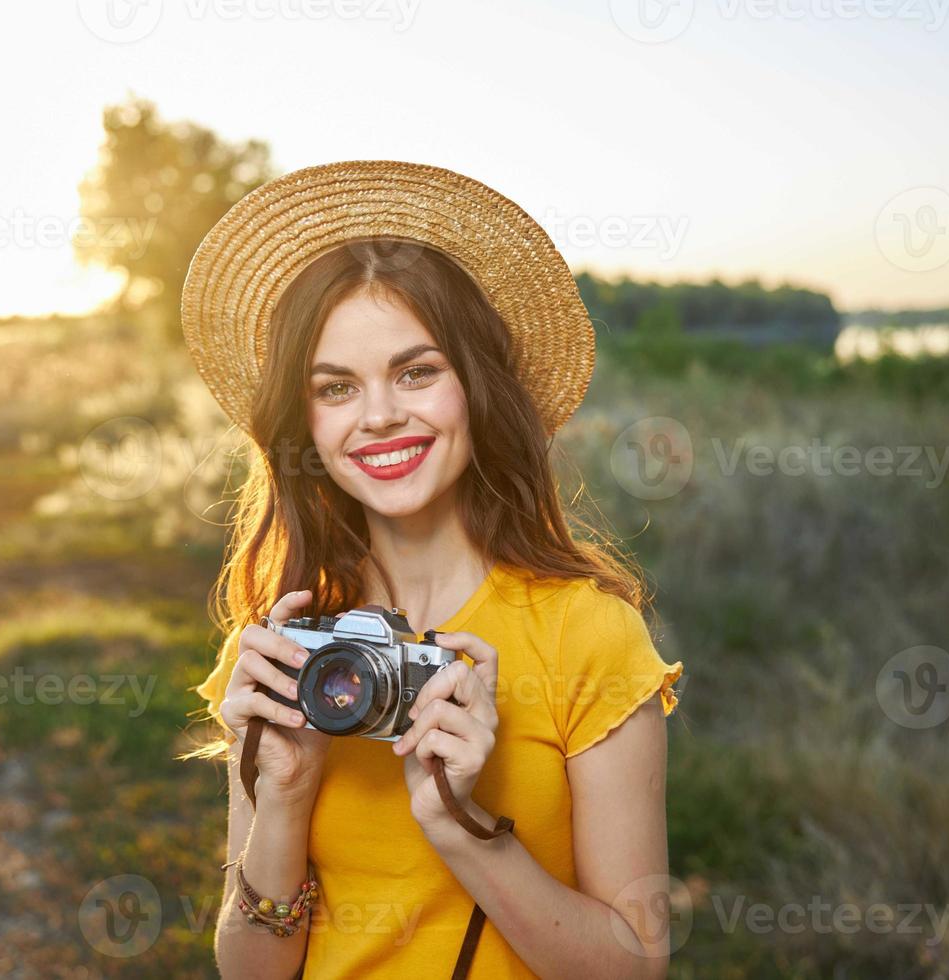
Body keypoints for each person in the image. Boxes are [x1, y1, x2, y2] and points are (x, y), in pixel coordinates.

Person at [178, 161, 684, 978]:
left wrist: (458, 823)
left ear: (475, 388)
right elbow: (249, 972)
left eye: (417, 371)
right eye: (335, 387)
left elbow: (633, 968)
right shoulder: (284, 648)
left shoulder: (587, 633)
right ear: (303, 420)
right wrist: (286, 788)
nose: (379, 415)